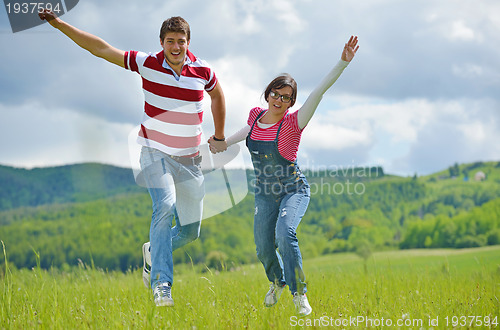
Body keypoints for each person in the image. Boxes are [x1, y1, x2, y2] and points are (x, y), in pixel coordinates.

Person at [39, 10, 227, 307]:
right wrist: (59, 24)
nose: (175, 47)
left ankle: (154, 250)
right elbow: (100, 48)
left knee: (191, 231)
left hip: (190, 159)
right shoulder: (146, 63)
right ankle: (162, 285)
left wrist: (218, 135)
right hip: (154, 152)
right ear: (161, 43)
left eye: (180, 41)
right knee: (164, 208)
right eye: (169, 41)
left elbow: (217, 96)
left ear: (189, 43)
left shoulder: (203, 71)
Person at [209, 36, 359, 316]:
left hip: (293, 190)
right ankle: (277, 281)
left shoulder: (294, 123)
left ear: (291, 102)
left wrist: (342, 63)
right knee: (264, 247)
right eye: (275, 94)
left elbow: (319, 92)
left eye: (285, 97)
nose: (279, 100)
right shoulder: (256, 116)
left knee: (284, 234)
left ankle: (298, 292)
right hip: (265, 193)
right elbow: (248, 133)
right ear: (267, 94)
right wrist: (224, 143)